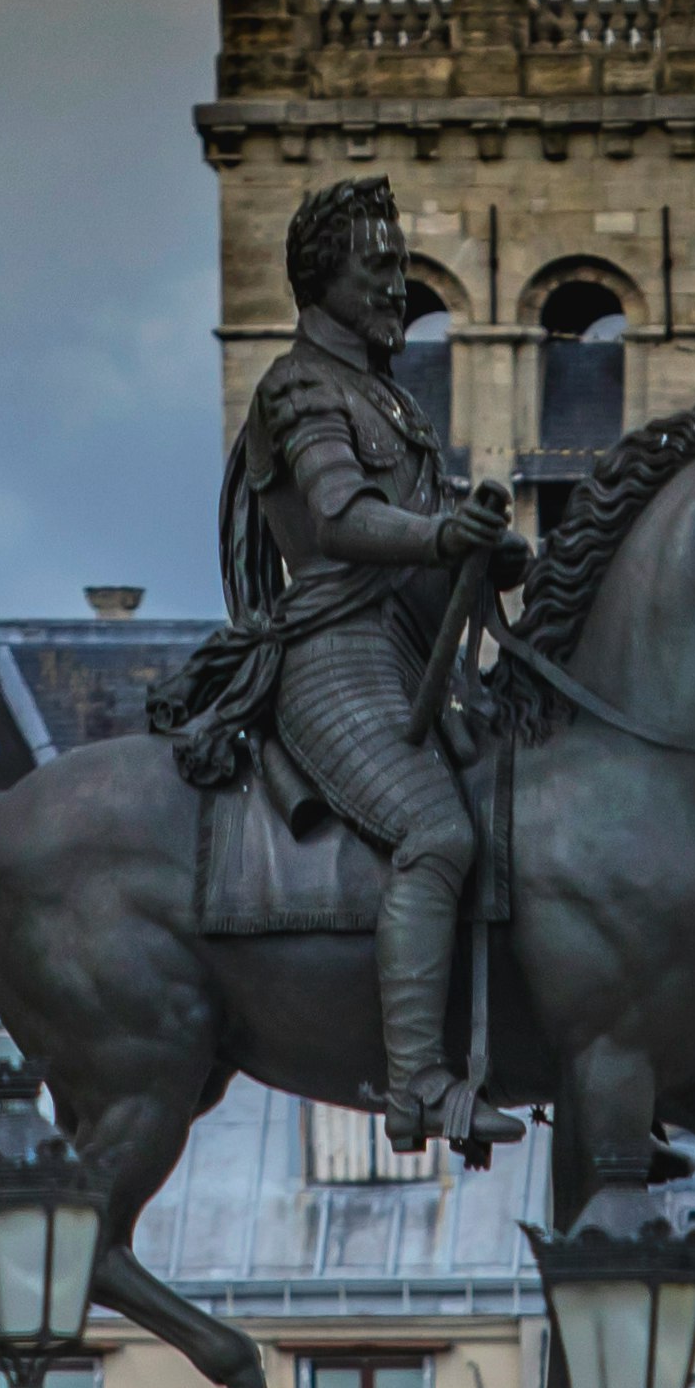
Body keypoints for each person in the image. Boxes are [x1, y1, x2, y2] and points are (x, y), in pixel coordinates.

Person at [149, 174, 524, 1154]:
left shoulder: (389, 399)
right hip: (331, 662)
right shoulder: (297, 387)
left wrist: (486, 551)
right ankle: (415, 1087)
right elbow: (337, 519)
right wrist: (444, 538)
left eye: (401, 263)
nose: (397, 284)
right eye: (378, 266)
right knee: (435, 834)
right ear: (322, 280)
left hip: (412, 661)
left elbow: (426, 546)